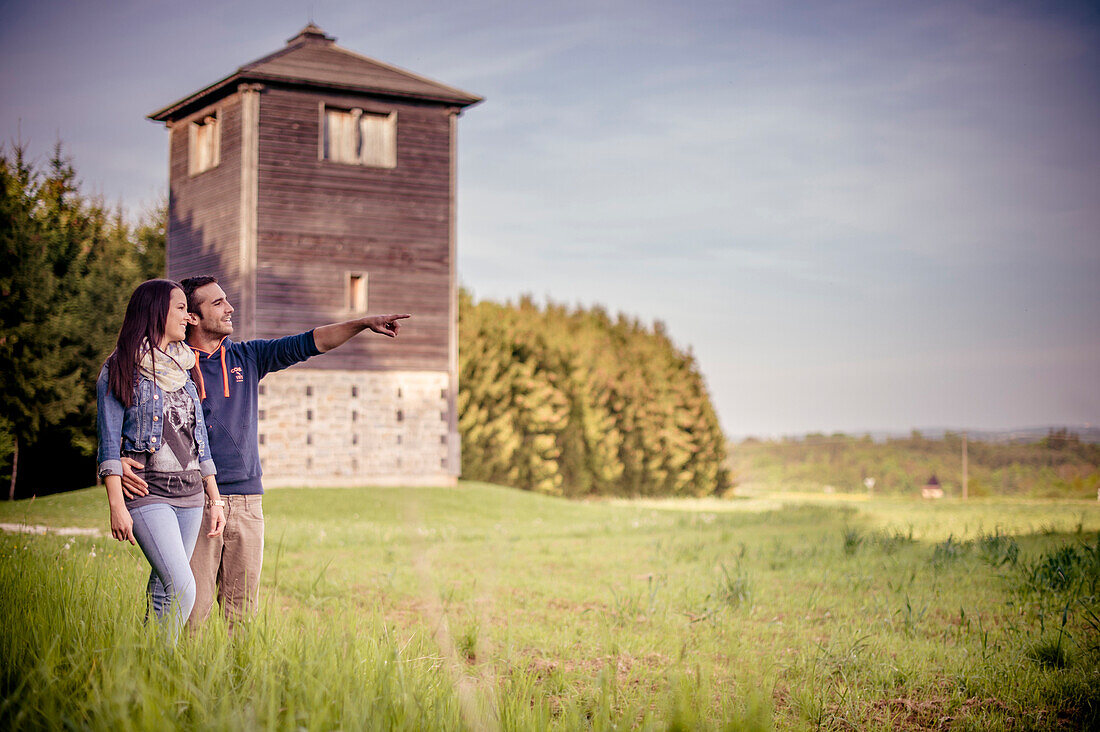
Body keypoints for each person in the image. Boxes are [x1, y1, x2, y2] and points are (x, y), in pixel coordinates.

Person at [120, 275, 409, 628]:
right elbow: (134, 414)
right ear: (192, 317)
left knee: (241, 617)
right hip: (193, 501)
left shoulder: (248, 356)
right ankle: (166, 675)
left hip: (247, 503)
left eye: (227, 300)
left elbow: (311, 342)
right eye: (217, 303)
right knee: (188, 611)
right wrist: (120, 456)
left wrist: (363, 323)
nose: (229, 308)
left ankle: (238, 682)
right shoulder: (169, 367)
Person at [97, 279, 226, 642]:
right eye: (181, 308)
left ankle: (149, 665)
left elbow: (199, 441)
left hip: (190, 496)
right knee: (183, 585)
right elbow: (108, 441)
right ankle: (162, 662)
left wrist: (213, 498)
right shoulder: (120, 367)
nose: (189, 317)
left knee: (165, 589)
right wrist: (116, 505)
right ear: (157, 312)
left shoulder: (183, 370)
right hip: (148, 495)